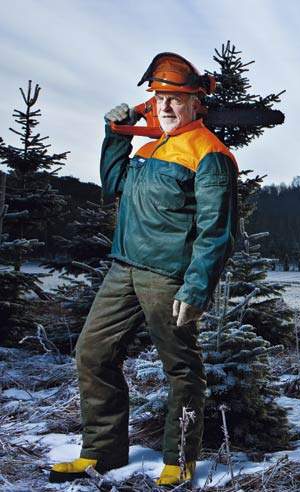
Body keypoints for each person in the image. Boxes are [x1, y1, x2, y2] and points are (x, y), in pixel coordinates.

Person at [49, 52, 238, 487]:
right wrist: (115, 133)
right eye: (158, 98)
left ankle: (180, 459)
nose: (166, 106)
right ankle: (101, 453)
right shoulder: (149, 147)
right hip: (123, 269)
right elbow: (112, 184)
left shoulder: (209, 154)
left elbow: (217, 232)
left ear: (195, 103)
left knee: (181, 369)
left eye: (175, 98)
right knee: (93, 354)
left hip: (168, 277)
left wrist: (196, 289)